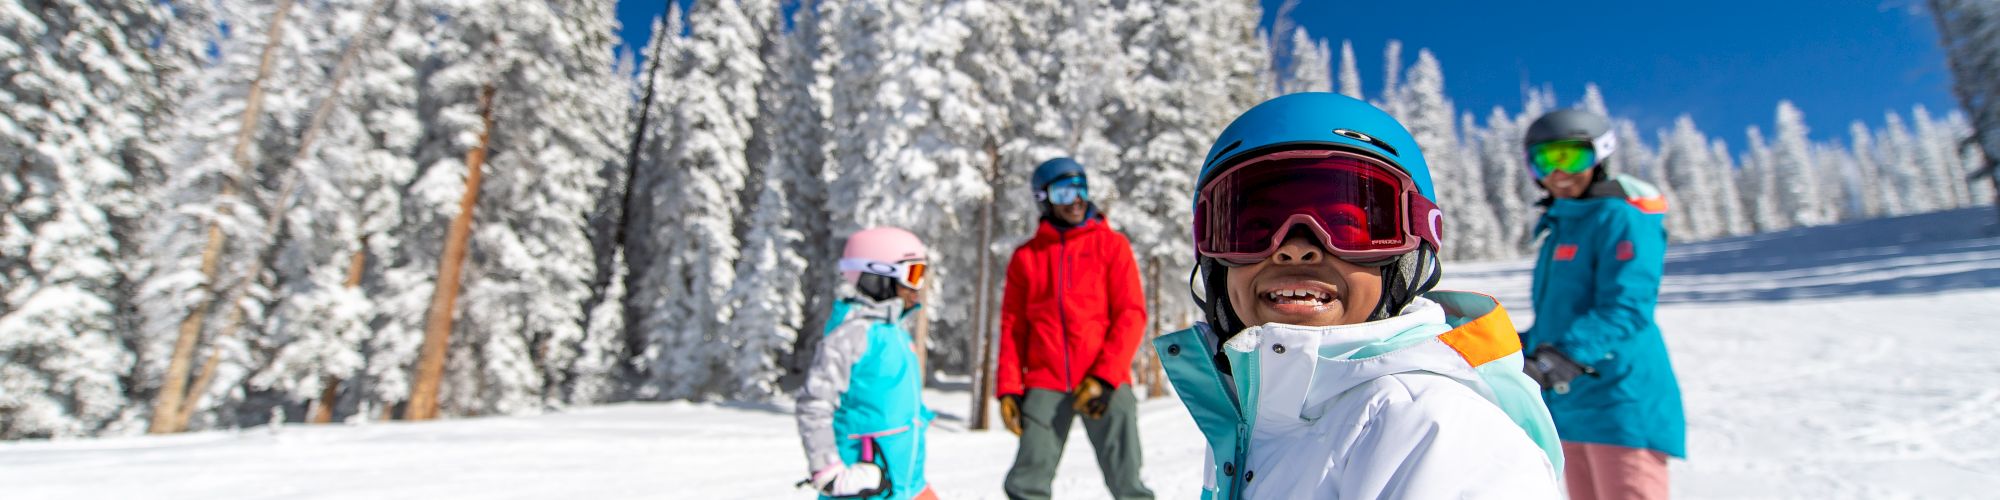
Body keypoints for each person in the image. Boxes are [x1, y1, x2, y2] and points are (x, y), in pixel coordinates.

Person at [1154, 92, 1564, 499]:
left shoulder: (1440, 435)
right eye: (1253, 227)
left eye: (1348, 224)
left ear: (1408, 254)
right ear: (1213, 259)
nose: (1295, 247)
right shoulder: (1256, 417)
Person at [1521, 109, 1686, 500]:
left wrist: (1557, 358)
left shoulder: (1622, 217)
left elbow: (1627, 307)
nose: (1558, 172)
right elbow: (1555, 323)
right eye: (1546, 160)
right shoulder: (1561, 226)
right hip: (1570, 404)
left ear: (1600, 155)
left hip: (1619, 401)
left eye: (1571, 157)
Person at [995, 157, 1153, 500]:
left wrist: (1106, 377)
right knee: (1026, 483)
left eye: (1081, 188)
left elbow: (1131, 314)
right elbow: (1012, 327)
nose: (1077, 199)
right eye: (1065, 192)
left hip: (1104, 377)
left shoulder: (1112, 245)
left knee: (1128, 483)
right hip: (1046, 380)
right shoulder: (1027, 257)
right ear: (1044, 198)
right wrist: (1008, 387)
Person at [795, 227, 939, 500]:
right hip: (867, 487)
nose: (918, 287)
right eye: (913, 274)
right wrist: (828, 472)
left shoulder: (895, 332)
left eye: (922, 274)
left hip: (908, 484)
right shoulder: (851, 334)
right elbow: (814, 403)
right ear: (878, 275)